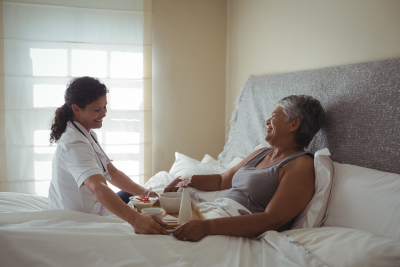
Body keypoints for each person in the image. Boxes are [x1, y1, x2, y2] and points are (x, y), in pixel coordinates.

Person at [164, 95, 326, 242]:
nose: (267, 121)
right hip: (215, 214)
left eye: (275, 116)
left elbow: (271, 219)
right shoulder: (261, 153)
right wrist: (184, 179)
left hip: (233, 229)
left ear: (294, 124)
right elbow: (221, 181)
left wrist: (207, 227)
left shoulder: (301, 165)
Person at [48, 76, 169, 235]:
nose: (104, 113)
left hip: (94, 206)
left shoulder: (86, 133)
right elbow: (98, 187)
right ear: (76, 109)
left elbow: (112, 172)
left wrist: (144, 192)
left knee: (134, 196)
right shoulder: (73, 143)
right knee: (137, 210)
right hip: (77, 218)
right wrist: (135, 220)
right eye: (97, 109)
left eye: (105, 107)